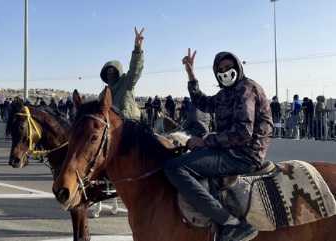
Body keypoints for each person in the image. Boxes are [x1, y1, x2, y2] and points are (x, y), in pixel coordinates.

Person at [164, 49, 273, 241]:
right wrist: (191, 74)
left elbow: (243, 134)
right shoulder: (226, 94)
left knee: (175, 167)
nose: (225, 71)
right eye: (220, 69)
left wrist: (205, 140)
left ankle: (230, 223)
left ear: (238, 67)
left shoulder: (246, 89)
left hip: (243, 154)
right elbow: (202, 102)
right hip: (228, 149)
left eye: (228, 67)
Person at [99, 27, 144, 120]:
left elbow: (135, 70)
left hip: (131, 121)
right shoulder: (105, 93)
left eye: (112, 71)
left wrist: (137, 49)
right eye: (108, 72)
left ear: (118, 71)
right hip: (112, 127)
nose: (110, 74)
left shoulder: (126, 82)